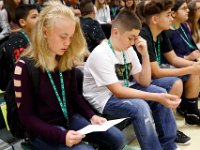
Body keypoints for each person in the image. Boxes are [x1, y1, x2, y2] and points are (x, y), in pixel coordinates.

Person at [14, 2, 125, 150]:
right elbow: (27, 118)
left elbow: (74, 97)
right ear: (45, 32)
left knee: (117, 139)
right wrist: (61, 136)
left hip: (69, 119)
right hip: (42, 130)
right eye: (63, 37)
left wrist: (91, 116)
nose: (67, 43)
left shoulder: (65, 58)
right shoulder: (24, 66)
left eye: (71, 37)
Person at [83, 9, 181, 150]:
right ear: (115, 32)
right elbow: (118, 92)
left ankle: (169, 146)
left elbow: (144, 81)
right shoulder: (101, 54)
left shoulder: (128, 50)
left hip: (124, 89)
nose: (134, 42)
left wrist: (145, 54)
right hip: (105, 99)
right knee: (140, 107)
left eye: (136, 37)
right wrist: (157, 97)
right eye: (131, 37)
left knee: (160, 91)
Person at [136, 0, 200, 127]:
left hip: (159, 69)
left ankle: (191, 112)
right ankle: (170, 127)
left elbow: (173, 59)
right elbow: (156, 72)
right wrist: (189, 69)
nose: (171, 18)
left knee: (194, 70)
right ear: (155, 19)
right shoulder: (144, 35)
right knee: (176, 82)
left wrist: (193, 66)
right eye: (168, 15)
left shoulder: (162, 32)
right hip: (142, 78)